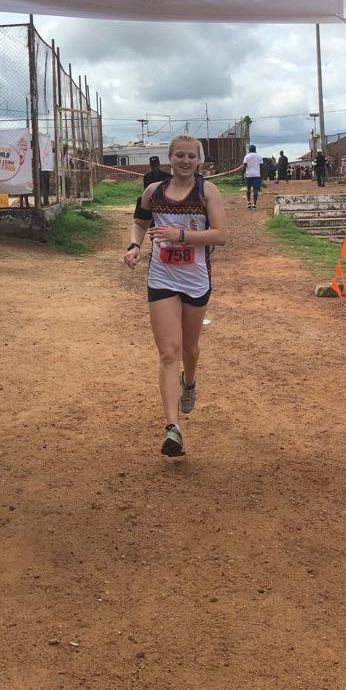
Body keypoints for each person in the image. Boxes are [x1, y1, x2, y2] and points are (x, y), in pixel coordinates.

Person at [124, 134, 227, 457]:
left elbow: (220, 235)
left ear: (198, 160)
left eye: (191, 156)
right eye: (180, 155)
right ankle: (172, 428)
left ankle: (190, 381)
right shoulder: (153, 192)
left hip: (195, 280)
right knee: (169, 351)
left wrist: (179, 235)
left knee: (190, 349)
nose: (185, 161)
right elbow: (139, 223)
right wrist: (134, 245)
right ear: (170, 159)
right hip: (162, 278)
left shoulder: (207, 191)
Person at [242, 144, 263, 209]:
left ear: (249, 150)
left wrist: (242, 175)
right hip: (256, 175)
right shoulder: (259, 157)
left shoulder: (246, 156)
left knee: (248, 188)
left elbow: (244, 167)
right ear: (255, 149)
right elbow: (261, 167)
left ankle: (249, 202)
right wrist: (261, 176)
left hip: (249, 175)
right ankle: (254, 204)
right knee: (255, 190)